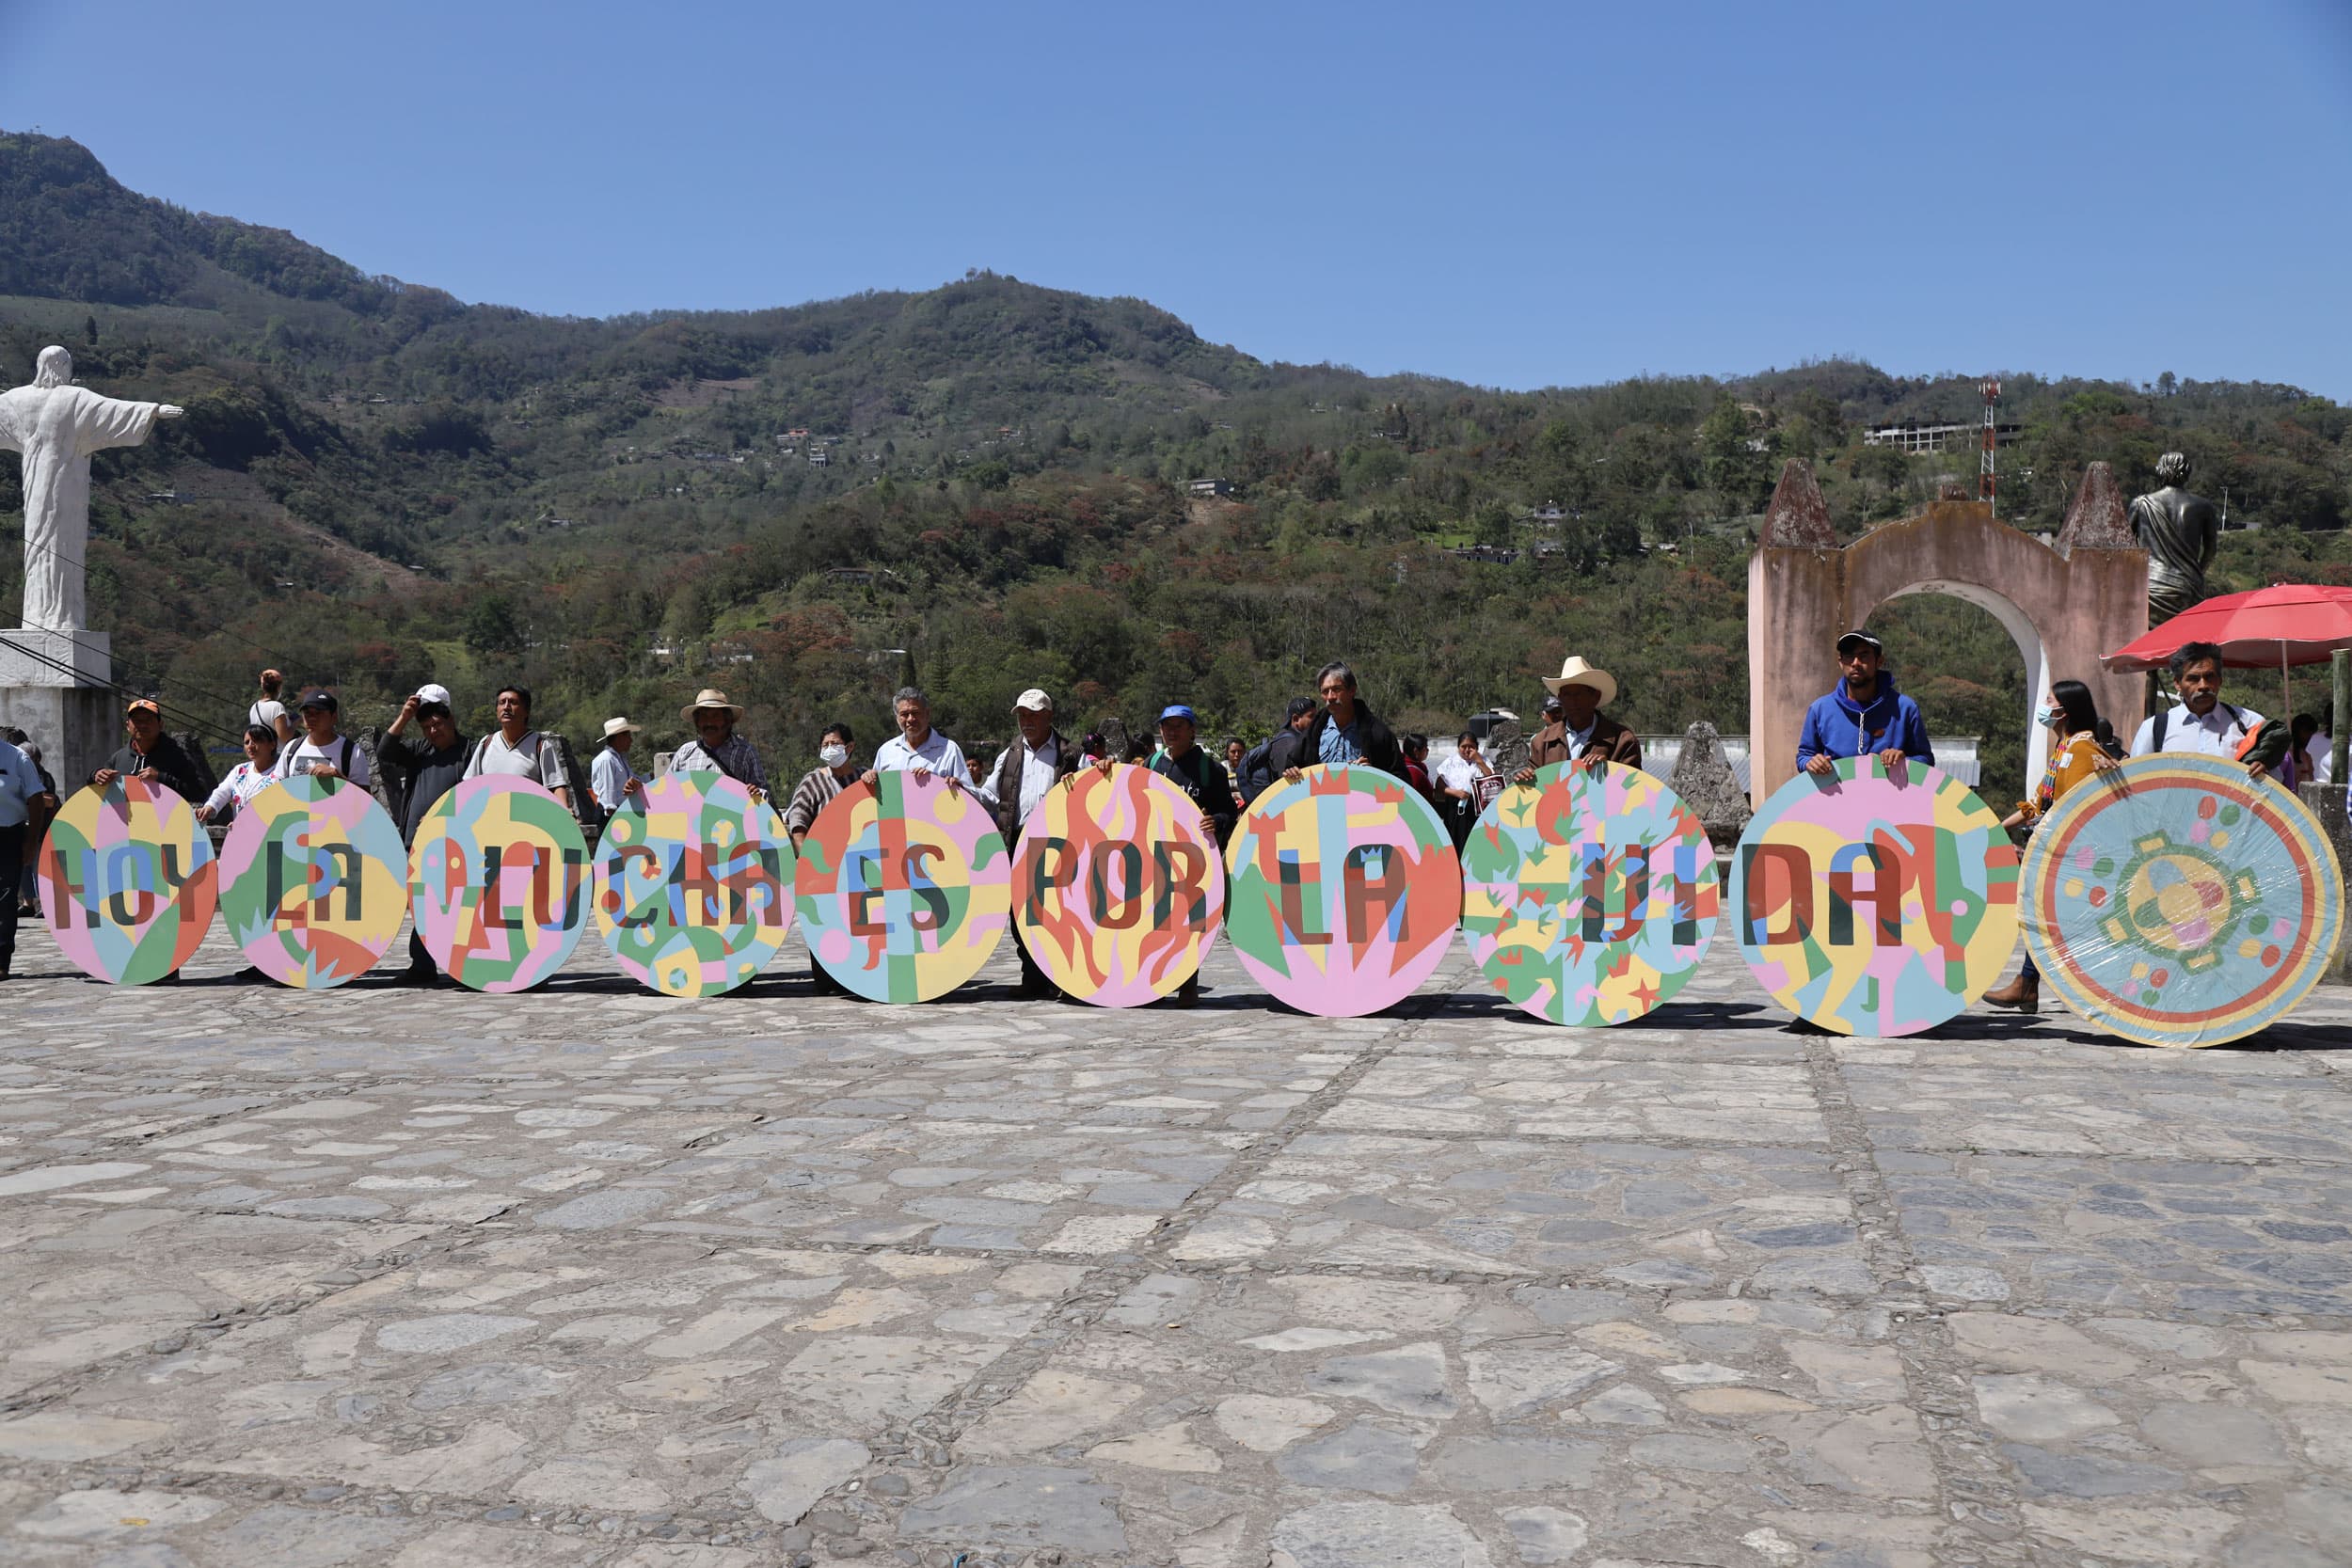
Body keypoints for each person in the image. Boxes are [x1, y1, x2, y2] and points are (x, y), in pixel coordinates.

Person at [1984, 681, 2123, 1011]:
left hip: (2069, 852)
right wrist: (1997, 826)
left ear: (2065, 710)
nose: (2045, 707)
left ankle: (2031, 985)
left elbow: (2071, 807)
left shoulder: (2081, 750)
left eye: (2050, 701)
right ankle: (2028, 985)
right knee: (2045, 916)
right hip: (2053, 845)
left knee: (2049, 917)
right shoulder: (2064, 748)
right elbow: (2039, 802)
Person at [980, 690, 1079, 998]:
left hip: (1059, 845)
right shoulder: (1008, 754)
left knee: (1059, 912)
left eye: (1033, 715)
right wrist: (961, 790)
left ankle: (1060, 976)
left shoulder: (1071, 754)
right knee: (1020, 913)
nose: (1027, 722)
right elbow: (989, 796)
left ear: (1049, 716)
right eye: (1022, 715)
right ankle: (1033, 977)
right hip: (1017, 841)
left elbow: (1093, 793)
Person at [377, 684, 472, 986]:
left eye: (437, 723)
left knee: (459, 906)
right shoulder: (420, 751)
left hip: (457, 845)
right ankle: (422, 965)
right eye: (426, 725)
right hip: (416, 843)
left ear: (450, 718)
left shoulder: (470, 751)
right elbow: (385, 751)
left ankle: (463, 963)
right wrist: (404, 717)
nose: (433, 730)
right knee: (423, 907)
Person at [1145, 705, 1235, 1007]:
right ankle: (1152, 981)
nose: (1171, 731)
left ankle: (1187, 983)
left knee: (1187, 925)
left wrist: (1217, 822)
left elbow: (1229, 813)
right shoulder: (1152, 763)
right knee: (1152, 923)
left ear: (1192, 730)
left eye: (1178, 726)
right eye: (1166, 726)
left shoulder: (1211, 769)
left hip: (1191, 864)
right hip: (1151, 858)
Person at [2127, 641, 2284, 779]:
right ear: (2177, 683)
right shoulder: (2155, 728)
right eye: (2193, 678)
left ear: (2220, 680)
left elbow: (2276, 779)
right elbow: (2136, 780)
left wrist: (2264, 768)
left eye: (2210, 677)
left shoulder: (2249, 723)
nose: (2203, 685)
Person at [1797, 631, 1933, 777]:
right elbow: (1803, 757)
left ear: (1879, 661)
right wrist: (1811, 762)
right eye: (1849, 656)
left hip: (1890, 798)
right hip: (1836, 798)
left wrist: (1904, 761)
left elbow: (1926, 760)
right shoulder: (1820, 709)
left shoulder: (1905, 708)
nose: (1855, 663)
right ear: (1840, 662)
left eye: (1864, 656)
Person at [0, 729, 59, 980]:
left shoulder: (16, 758)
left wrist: (32, 841)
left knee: (4, 899)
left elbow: (36, 799)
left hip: (7, 835)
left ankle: (1, 961)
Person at [1285, 663, 1403, 780]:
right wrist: (1291, 771)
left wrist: (1374, 775)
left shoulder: (1377, 734)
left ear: (1352, 690)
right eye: (1325, 691)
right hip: (1319, 798)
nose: (1330, 697)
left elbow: (1400, 780)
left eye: (1336, 689)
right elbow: (1292, 765)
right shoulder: (1314, 731)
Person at [462, 686, 570, 807]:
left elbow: (555, 786)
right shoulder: (486, 743)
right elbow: (470, 785)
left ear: (526, 711)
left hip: (528, 821)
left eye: (513, 703)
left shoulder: (540, 745)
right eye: (502, 703)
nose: (506, 707)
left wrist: (565, 815)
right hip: (491, 820)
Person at [94, 698, 211, 800]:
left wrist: (160, 778)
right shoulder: (119, 758)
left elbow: (199, 793)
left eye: (149, 720)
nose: (143, 725)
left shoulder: (177, 756)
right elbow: (97, 788)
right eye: (137, 721)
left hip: (165, 823)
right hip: (125, 824)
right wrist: (96, 775)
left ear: (160, 725)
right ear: (128, 726)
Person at [671, 688, 770, 797]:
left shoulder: (745, 752)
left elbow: (763, 794)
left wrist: (756, 792)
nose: (709, 722)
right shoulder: (684, 753)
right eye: (703, 716)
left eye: (715, 716)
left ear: (727, 719)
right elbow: (668, 791)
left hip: (732, 813)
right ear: (697, 721)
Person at [866, 687, 971, 785]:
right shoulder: (885, 751)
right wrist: (868, 777)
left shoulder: (949, 750)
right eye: (904, 714)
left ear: (927, 714)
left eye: (915, 713)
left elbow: (969, 796)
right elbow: (876, 795)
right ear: (897, 718)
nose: (911, 719)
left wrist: (940, 783)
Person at [266, 688, 372, 787]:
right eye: (307, 713)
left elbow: (365, 799)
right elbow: (277, 789)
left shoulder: (352, 752)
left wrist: (338, 777)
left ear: (334, 717)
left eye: (318, 713)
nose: (311, 718)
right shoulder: (291, 748)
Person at [785, 723, 861, 847]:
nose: (829, 748)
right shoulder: (813, 781)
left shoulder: (862, 777)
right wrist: (808, 859)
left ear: (850, 746)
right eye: (825, 745)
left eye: (835, 743)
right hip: (827, 858)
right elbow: (797, 819)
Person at [195, 723, 283, 824]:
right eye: (247, 742)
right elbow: (222, 792)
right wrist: (210, 807)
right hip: (241, 835)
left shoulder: (280, 773)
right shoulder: (240, 770)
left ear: (272, 745)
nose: (251, 746)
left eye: (257, 740)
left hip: (270, 834)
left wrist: (247, 823)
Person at [1241, 697, 1317, 802]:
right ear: (1295, 719)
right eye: (1311, 717)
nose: (1316, 721)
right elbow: (1286, 783)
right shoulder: (1288, 744)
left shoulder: (1291, 740)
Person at [1434, 732, 1498, 847]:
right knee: (1456, 841)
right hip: (1455, 807)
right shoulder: (1451, 762)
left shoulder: (1484, 761)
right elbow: (1439, 784)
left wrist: (1479, 761)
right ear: (1458, 747)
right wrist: (1456, 793)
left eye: (1471, 747)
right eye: (1463, 746)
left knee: (1475, 842)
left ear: (1477, 748)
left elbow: (1492, 779)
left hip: (1478, 807)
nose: (1467, 750)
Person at [591, 717, 647, 815]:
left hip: (619, 811)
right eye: (628, 736)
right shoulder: (607, 759)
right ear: (619, 738)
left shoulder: (620, 759)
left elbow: (630, 780)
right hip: (611, 814)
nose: (631, 740)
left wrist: (648, 777)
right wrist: (613, 815)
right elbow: (607, 793)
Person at [249, 669, 294, 745]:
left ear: (262, 686)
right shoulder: (277, 707)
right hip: (278, 753)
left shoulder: (254, 707)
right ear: (279, 687)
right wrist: (295, 723)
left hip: (262, 753)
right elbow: (285, 737)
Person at [1221, 736, 1250, 816]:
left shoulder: (1251, 768)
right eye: (1233, 752)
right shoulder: (1221, 769)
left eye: (1240, 751)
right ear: (1227, 753)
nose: (1237, 755)